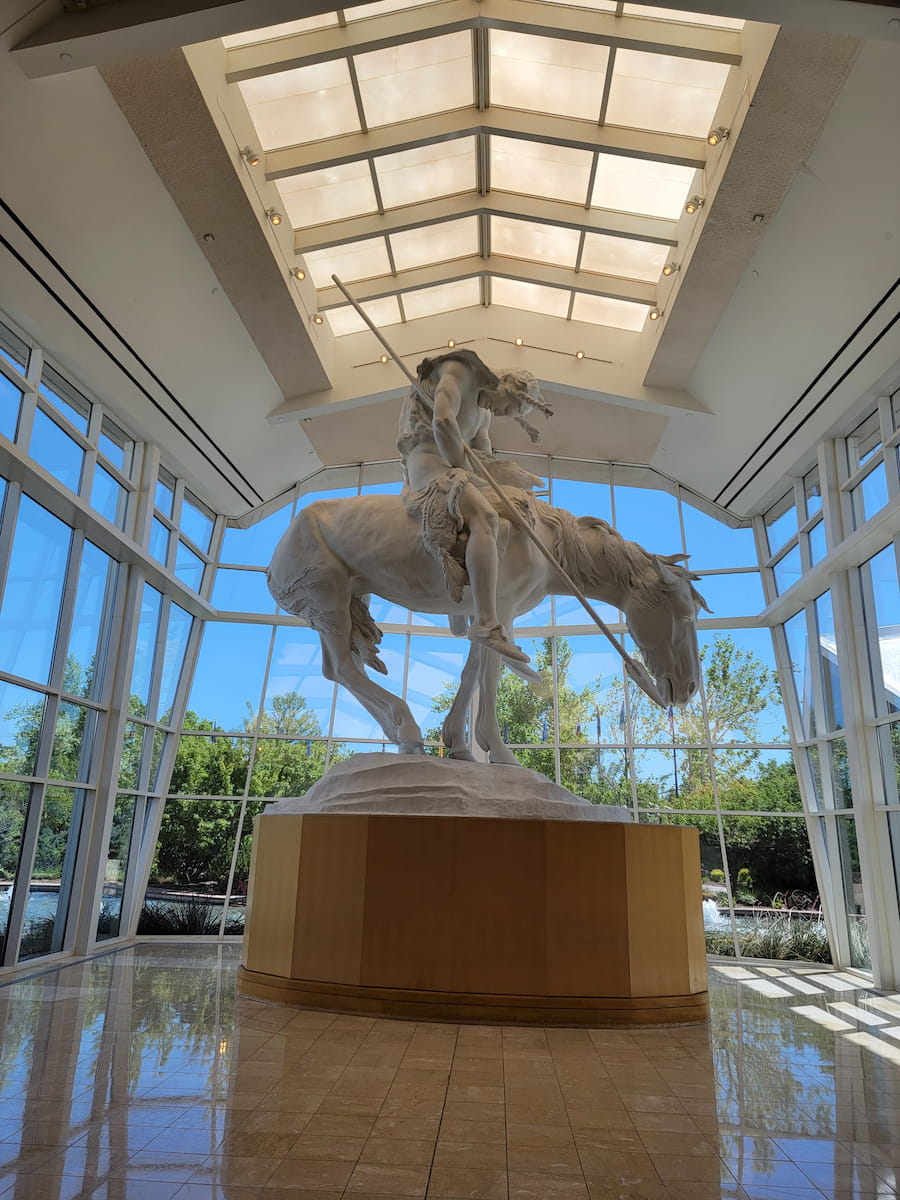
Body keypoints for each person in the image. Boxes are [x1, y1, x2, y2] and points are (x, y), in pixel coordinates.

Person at [397, 348, 551, 667]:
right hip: (427, 461)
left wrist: (509, 474)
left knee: (511, 510)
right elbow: (442, 422)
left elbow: (483, 458)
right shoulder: (457, 372)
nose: (501, 412)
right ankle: (485, 622)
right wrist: (462, 474)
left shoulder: (485, 414)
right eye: (507, 405)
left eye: (509, 413)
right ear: (505, 385)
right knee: (485, 516)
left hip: (458, 468)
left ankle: (461, 601)